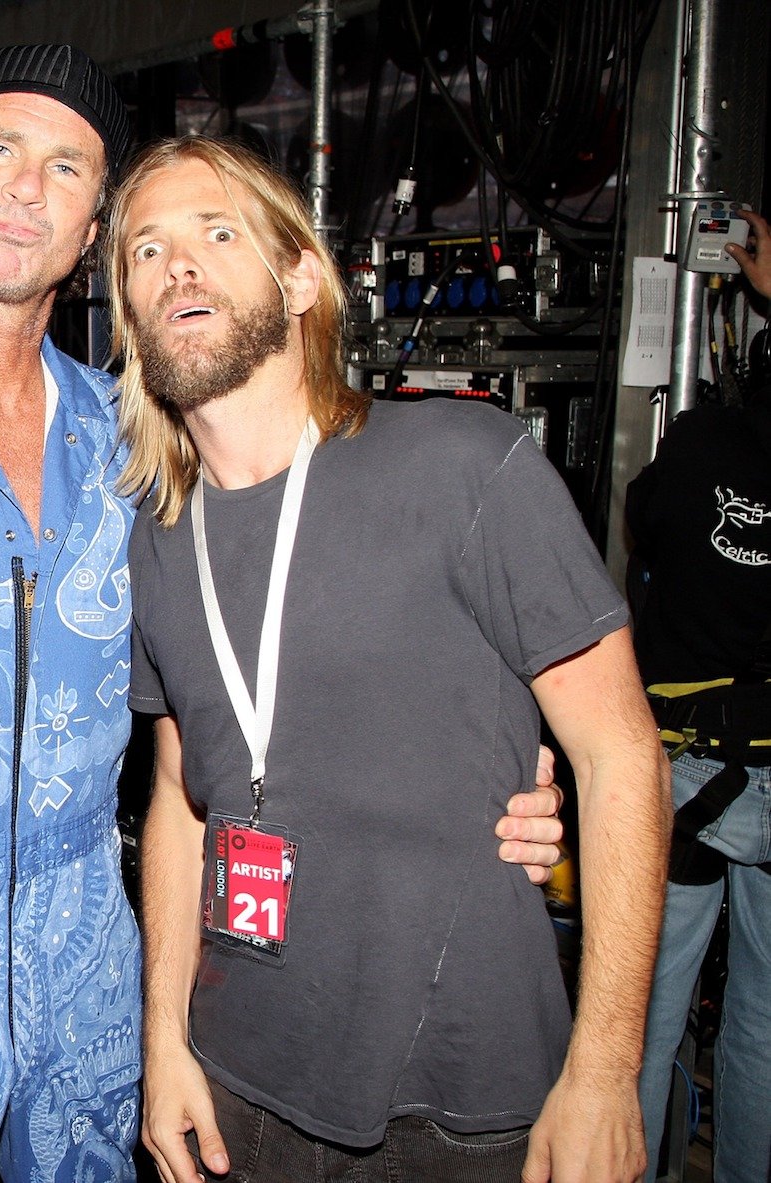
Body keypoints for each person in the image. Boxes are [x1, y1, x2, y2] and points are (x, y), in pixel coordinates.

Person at [0, 48, 565, 1183]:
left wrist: (490, 771)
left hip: (92, 1007)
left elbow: (259, 657)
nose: (27, 186)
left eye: (67, 167)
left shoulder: (135, 446)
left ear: (92, 228)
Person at [109, 136, 671, 1183]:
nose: (176, 265)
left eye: (217, 234)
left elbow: (621, 757)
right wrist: (165, 1043)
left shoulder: (465, 465)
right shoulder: (156, 535)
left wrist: (604, 1070)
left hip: (465, 1095)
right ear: (129, 315)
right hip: (240, 1087)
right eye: (145, 250)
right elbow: (181, 800)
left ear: (300, 280)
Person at [631, 207, 771, 1182]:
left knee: (646, 1012)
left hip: (688, 774)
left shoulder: (697, 447)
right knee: (761, 1023)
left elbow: (643, 525)